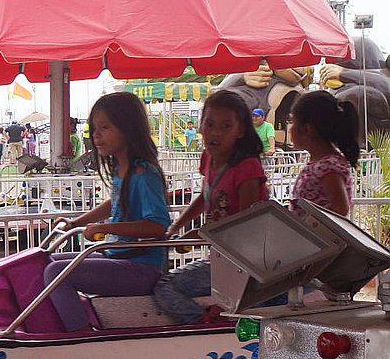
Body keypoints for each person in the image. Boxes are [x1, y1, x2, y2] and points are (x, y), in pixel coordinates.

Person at [39, 92, 171, 332]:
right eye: (94, 129)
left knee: (57, 272)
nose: (96, 135)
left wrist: (106, 227)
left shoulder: (144, 173)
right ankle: (54, 325)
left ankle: (79, 335)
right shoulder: (123, 169)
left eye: (104, 128)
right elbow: (114, 203)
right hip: (119, 256)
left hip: (142, 267)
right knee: (44, 261)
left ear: (127, 129)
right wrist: (75, 223)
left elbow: (157, 225)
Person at [152, 90, 266, 324]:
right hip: (222, 256)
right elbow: (206, 196)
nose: (215, 133)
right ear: (201, 126)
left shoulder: (248, 167)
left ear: (241, 131)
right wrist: (176, 227)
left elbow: (247, 223)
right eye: (210, 124)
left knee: (165, 285)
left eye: (226, 127)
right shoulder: (209, 158)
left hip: (245, 263)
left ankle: (204, 323)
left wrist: (201, 234)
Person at [287, 90, 358, 218]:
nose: (290, 129)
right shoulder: (320, 163)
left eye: (293, 122)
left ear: (307, 129)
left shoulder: (328, 166)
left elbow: (340, 208)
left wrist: (309, 224)